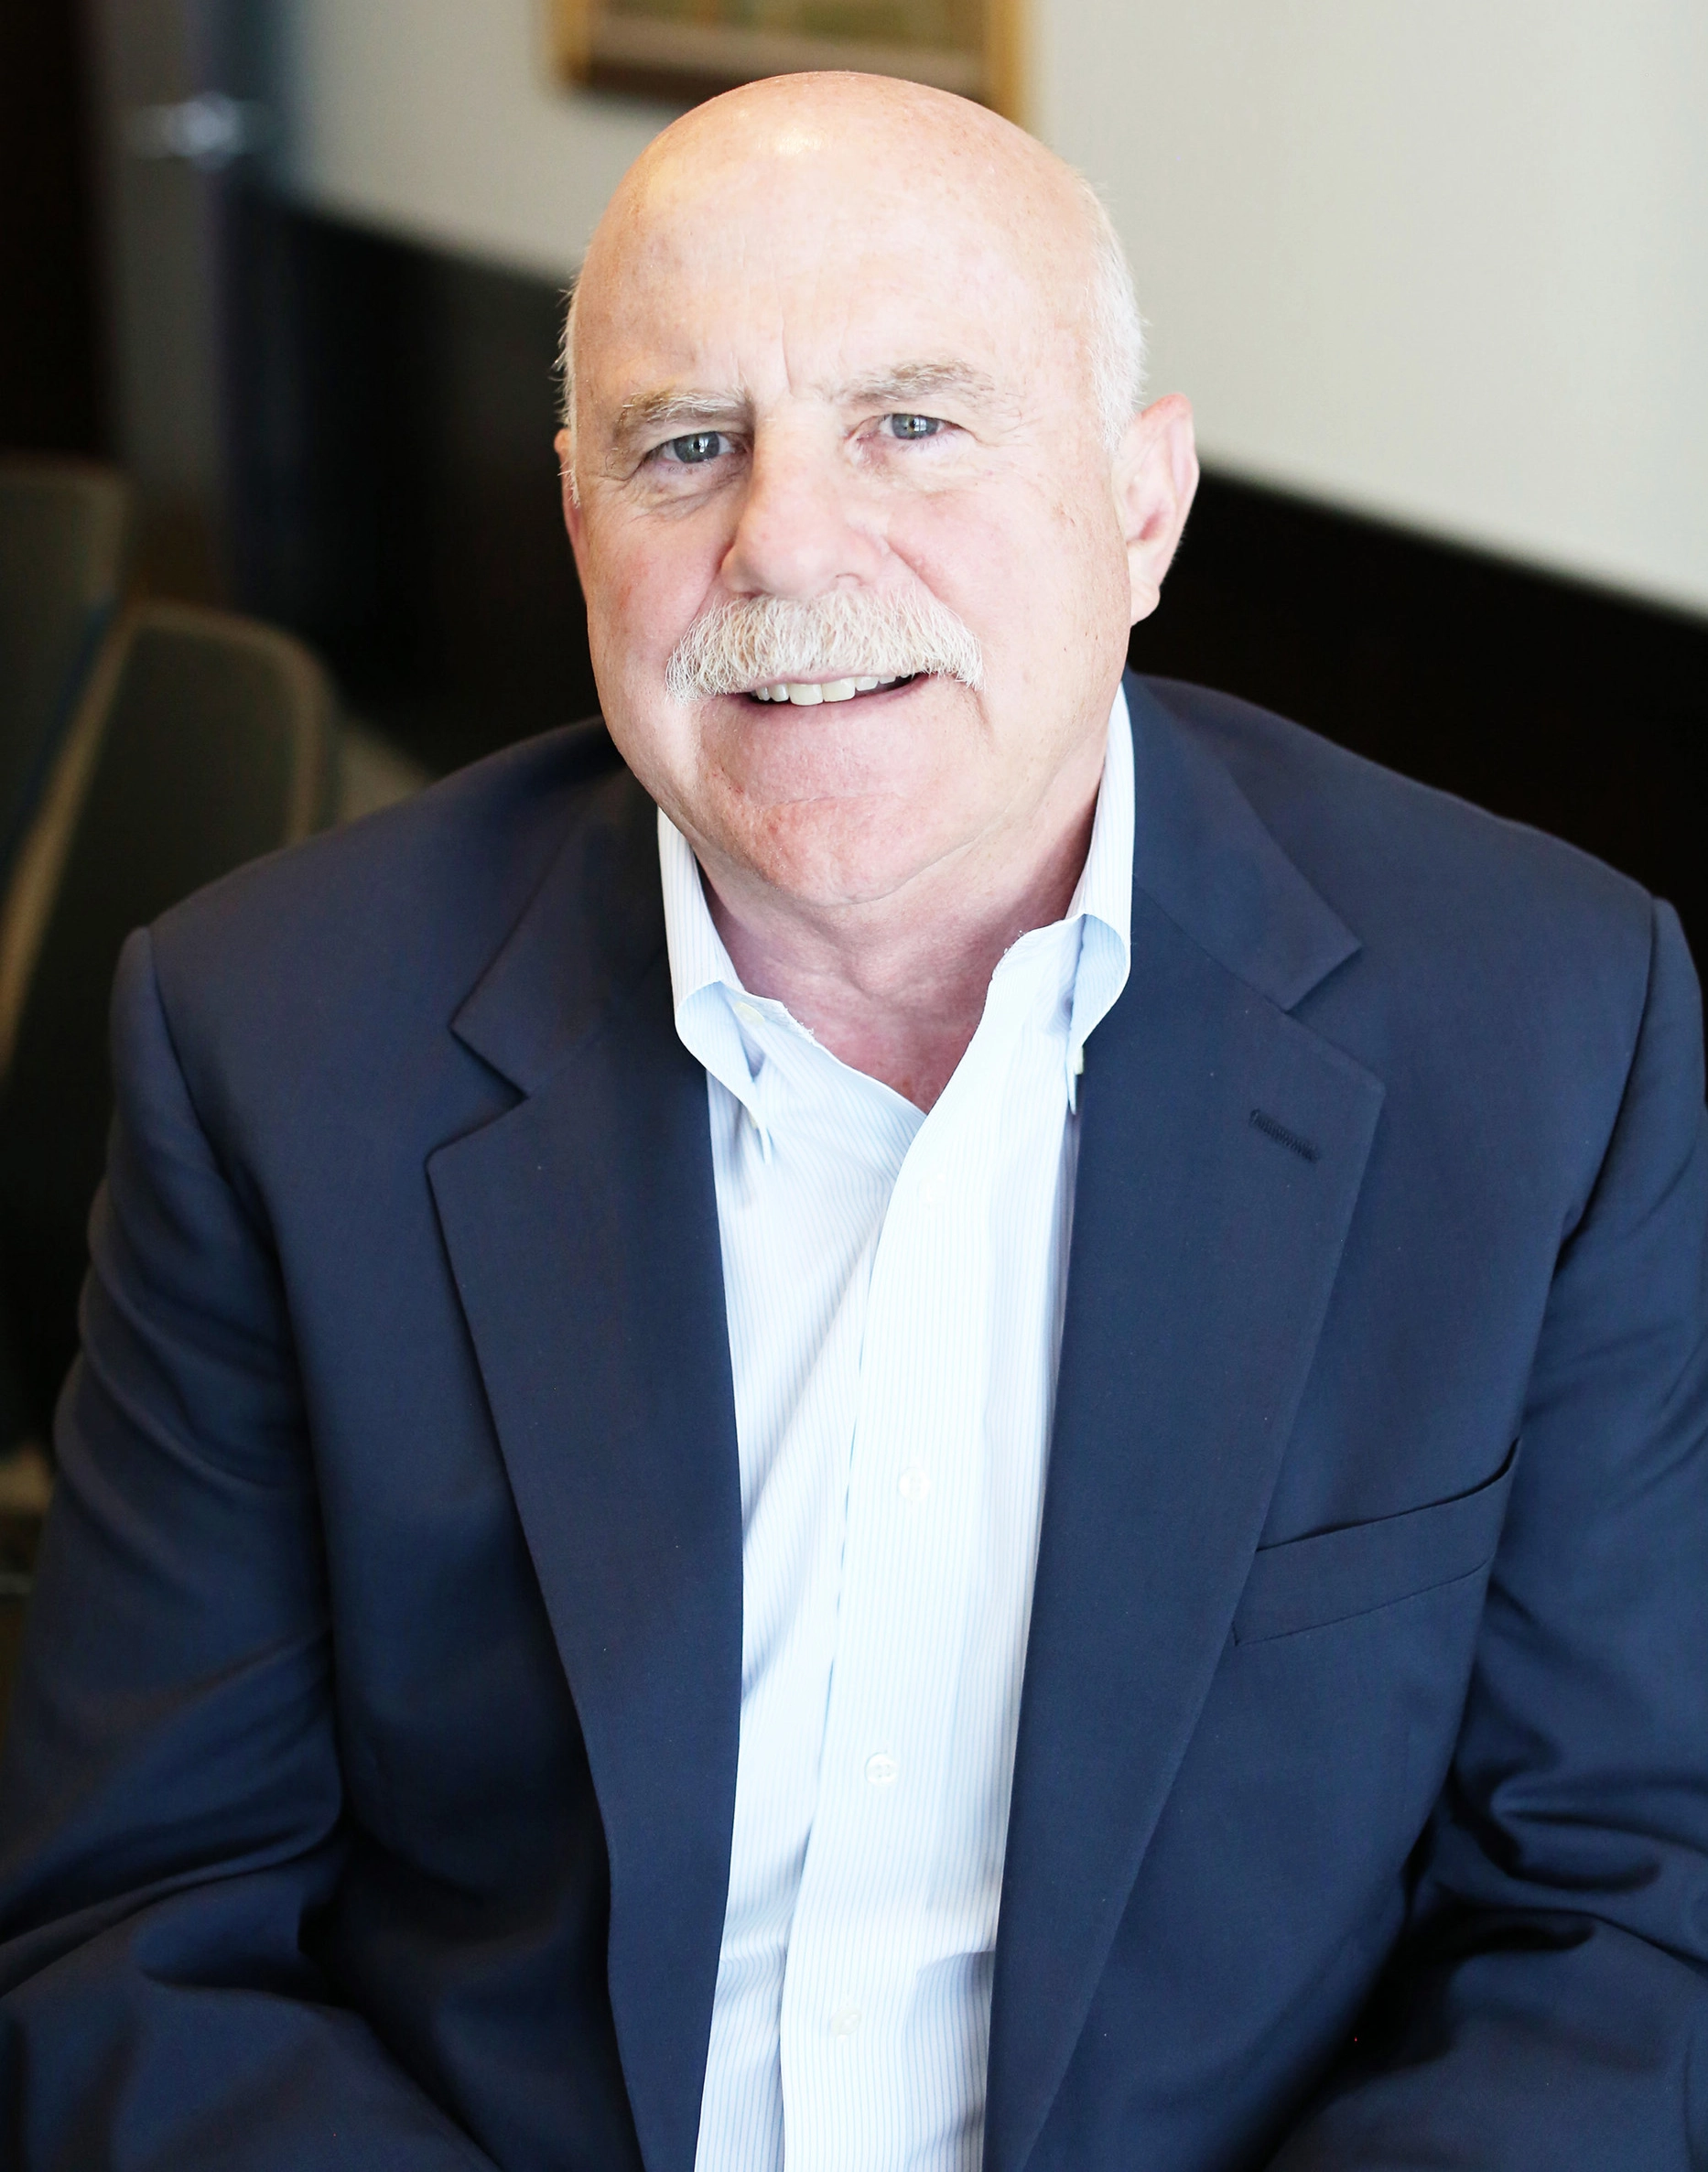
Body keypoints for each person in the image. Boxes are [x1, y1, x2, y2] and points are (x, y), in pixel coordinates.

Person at [1, 67, 1705, 2172]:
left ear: (1142, 510)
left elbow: (1629, 1916)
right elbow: (137, 1923)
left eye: (912, 421)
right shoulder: (275, 1040)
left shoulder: (1536, 1029)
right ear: (576, 523)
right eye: (686, 444)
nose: (786, 539)